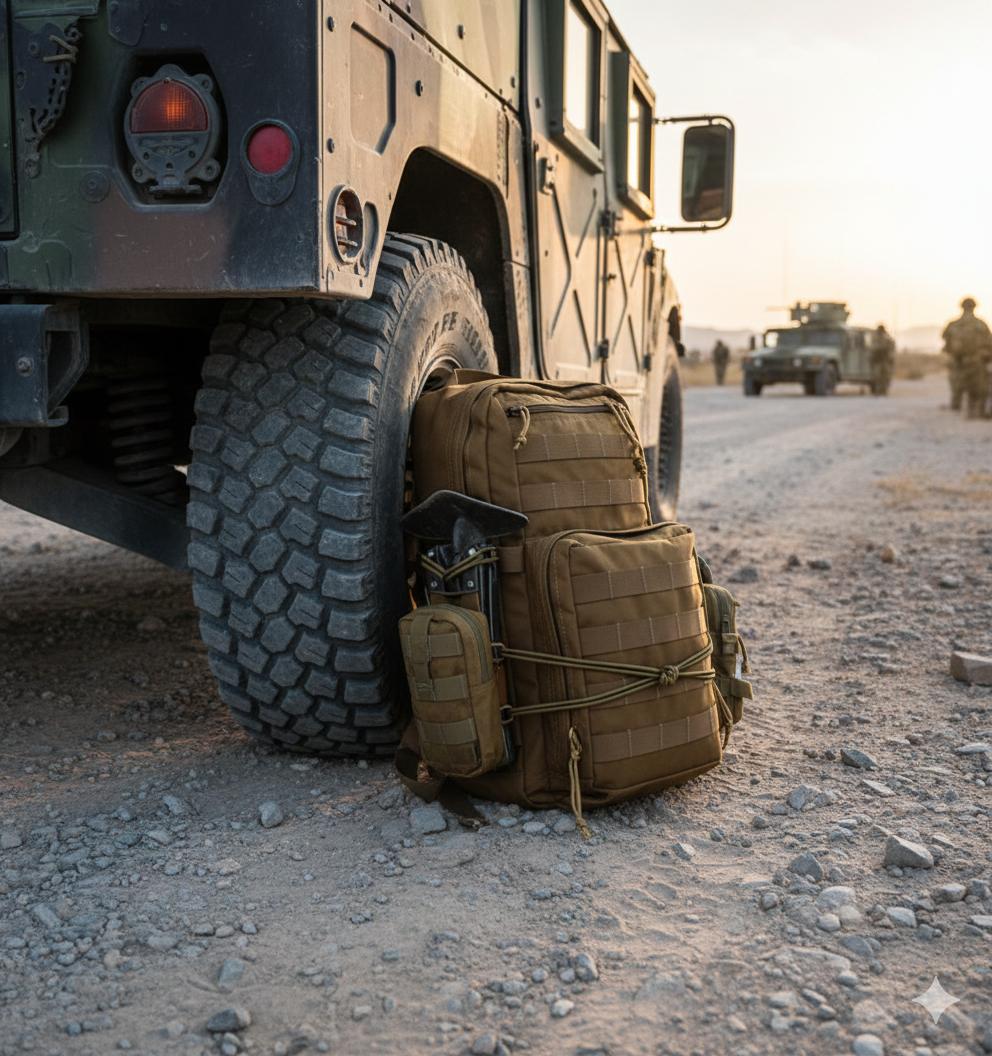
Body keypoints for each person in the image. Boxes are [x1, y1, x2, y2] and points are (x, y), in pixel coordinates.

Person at [942, 297, 992, 418]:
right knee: (977, 389)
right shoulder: (981, 324)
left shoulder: (953, 324)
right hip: (975, 361)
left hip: (957, 361)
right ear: (974, 307)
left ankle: (957, 406)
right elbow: (989, 343)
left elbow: (946, 342)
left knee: (957, 386)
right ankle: (975, 411)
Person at [869, 324, 896, 395]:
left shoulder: (887, 338)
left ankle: (883, 391)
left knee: (885, 377)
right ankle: (879, 391)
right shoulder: (876, 338)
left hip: (884, 360)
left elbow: (891, 350)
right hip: (878, 360)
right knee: (878, 377)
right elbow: (873, 349)